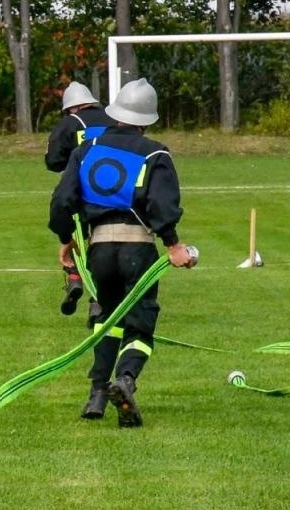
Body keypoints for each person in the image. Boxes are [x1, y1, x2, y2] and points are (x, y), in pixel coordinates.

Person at [49, 79, 195, 427]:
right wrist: (174, 246)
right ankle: (125, 380)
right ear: (147, 120)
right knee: (139, 324)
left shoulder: (85, 150)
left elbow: (62, 201)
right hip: (137, 250)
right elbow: (161, 204)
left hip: (98, 250)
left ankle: (97, 394)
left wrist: (66, 238)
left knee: (106, 319)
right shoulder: (154, 152)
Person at [44, 81, 111, 317]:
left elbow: (53, 161)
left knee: (75, 238)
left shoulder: (70, 124)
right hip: (115, 191)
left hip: (80, 192)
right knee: (103, 243)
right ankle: (98, 299)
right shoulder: (115, 119)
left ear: (72, 108)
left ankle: (74, 278)